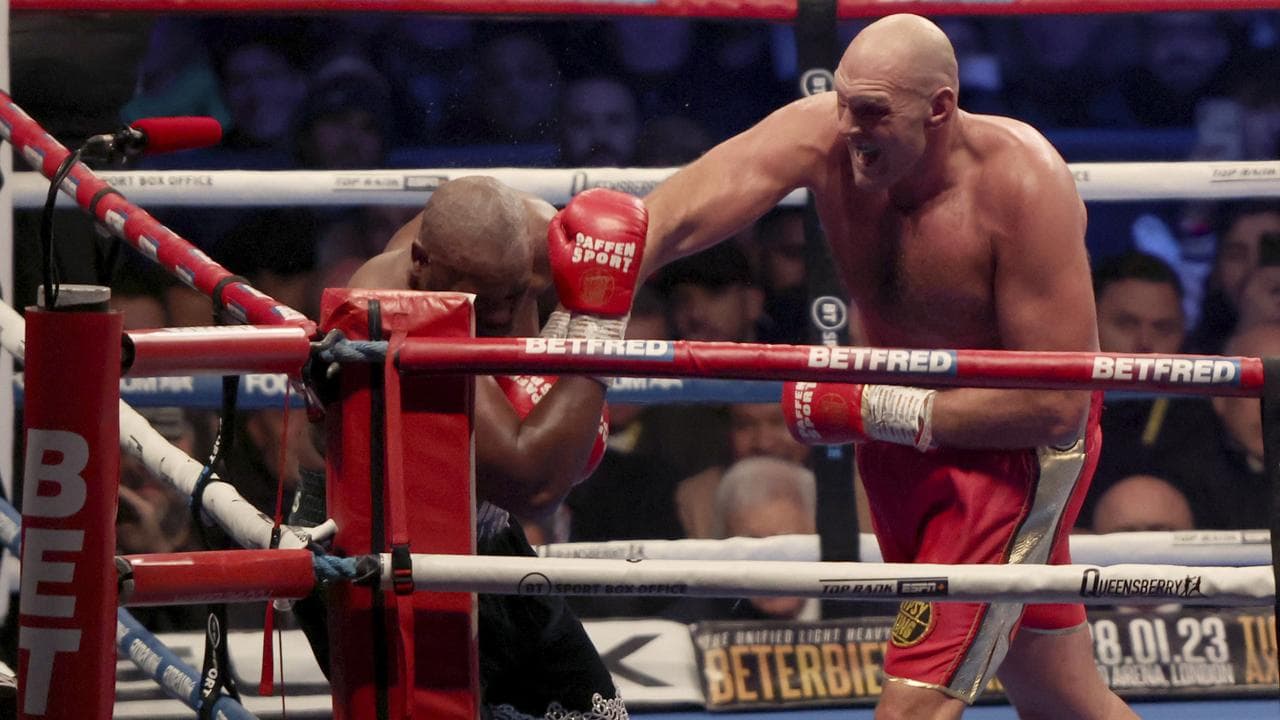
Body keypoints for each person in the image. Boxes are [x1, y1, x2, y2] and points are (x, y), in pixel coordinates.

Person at [631, 14, 1135, 718]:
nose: (847, 128)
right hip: (904, 450)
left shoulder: (1021, 184)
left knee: (912, 703)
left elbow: (1058, 405)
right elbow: (693, 204)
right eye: (842, 103)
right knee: (1061, 696)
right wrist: (615, 258)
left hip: (1009, 461)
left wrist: (873, 407)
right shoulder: (829, 136)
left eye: (871, 112)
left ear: (939, 109)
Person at [339, 175, 644, 719]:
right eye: (485, 299)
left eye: (517, 293)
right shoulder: (397, 312)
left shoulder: (519, 239)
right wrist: (598, 323)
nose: (502, 315)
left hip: (482, 534)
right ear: (421, 262)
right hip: (392, 558)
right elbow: (535, 487)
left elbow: (660, 230)